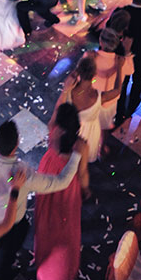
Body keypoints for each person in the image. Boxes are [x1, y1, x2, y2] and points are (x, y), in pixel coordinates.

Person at [0, 119, 81, 280]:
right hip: (13, 220)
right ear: (16, 144)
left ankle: (1, 258)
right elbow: (61, 182)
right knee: (7, 249)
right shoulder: (22, 173)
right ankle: (0, 274)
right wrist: (76, 155)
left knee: (1, 240)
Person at [51, 53, 123, 197]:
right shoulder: (98, 96)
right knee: (84, 160)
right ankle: (82, 177)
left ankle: (71, 171)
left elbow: (58, 108)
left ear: (77, 71)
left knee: (71, 156)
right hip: (90, 133)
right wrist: (119, 68)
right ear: (94, 74)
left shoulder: (69, 92)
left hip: (72, 129)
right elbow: (117, 91)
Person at [34, 102, 83, 280]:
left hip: (50, 173)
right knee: (66, 221)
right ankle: (63, 268)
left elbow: (53, 119)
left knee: (48, 219)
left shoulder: (53, 133)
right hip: (69, 184)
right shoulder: (79, 145)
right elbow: (83, 174)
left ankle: (48, 264)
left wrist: (66, 91)